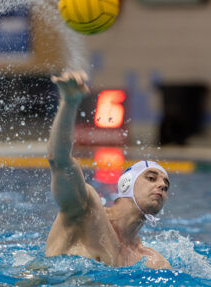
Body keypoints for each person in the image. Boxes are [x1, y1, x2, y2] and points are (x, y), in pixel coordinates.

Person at [45, 71, 171, 269]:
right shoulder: (86, 209)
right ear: (126, 183)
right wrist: (69, 104)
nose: (162, 185)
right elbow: (59, 161)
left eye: (166, 184)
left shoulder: (150, 260)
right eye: (151, 178)